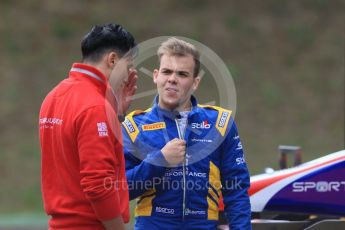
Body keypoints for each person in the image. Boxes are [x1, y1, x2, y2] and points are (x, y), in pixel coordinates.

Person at [122, 37, 251, 229]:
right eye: (167, 72)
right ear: (156, 76)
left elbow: (237, 189)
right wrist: (159, 160)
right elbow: (119, 190)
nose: (172, 79)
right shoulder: (133, 125)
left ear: (195, 82)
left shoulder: (220, 123)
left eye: (182, 74)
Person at [39, 23, 138, 230]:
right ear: (112, 60)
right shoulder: (95, 106)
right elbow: (98, 185)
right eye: (128, 66)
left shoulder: (54, 96)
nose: (128, 75)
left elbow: (74, 158)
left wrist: (116, 113)